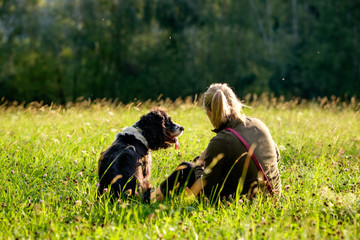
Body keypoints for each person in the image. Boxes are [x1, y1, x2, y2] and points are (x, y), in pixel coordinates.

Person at [151, 83, 281, 203]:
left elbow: (208, 193)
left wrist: (200, 164)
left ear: (208, 112)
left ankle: (150, 200)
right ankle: (172, 199)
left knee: (185, 169)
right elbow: (277, 156)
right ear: (235, 103)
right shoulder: (257, 123)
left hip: (242, 202)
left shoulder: (221, 141)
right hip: (272, 196)